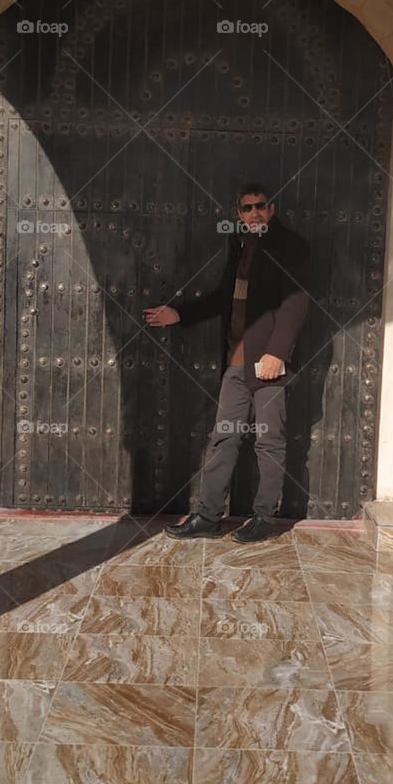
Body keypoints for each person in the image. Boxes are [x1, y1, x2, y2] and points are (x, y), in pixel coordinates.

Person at [143, 184, 310, 542]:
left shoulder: (291, 246)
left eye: (260, 207)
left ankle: (265, 517)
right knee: (224, 439)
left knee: (268, 442)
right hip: (236, 363)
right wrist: (180, 314)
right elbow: (225, 298)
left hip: (267, 363)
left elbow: (295, 304)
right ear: (238, 214)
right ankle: (208, 516)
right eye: (246, 208)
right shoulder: (239, 245)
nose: (253, 214)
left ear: (273, 208)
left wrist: (277, 354)